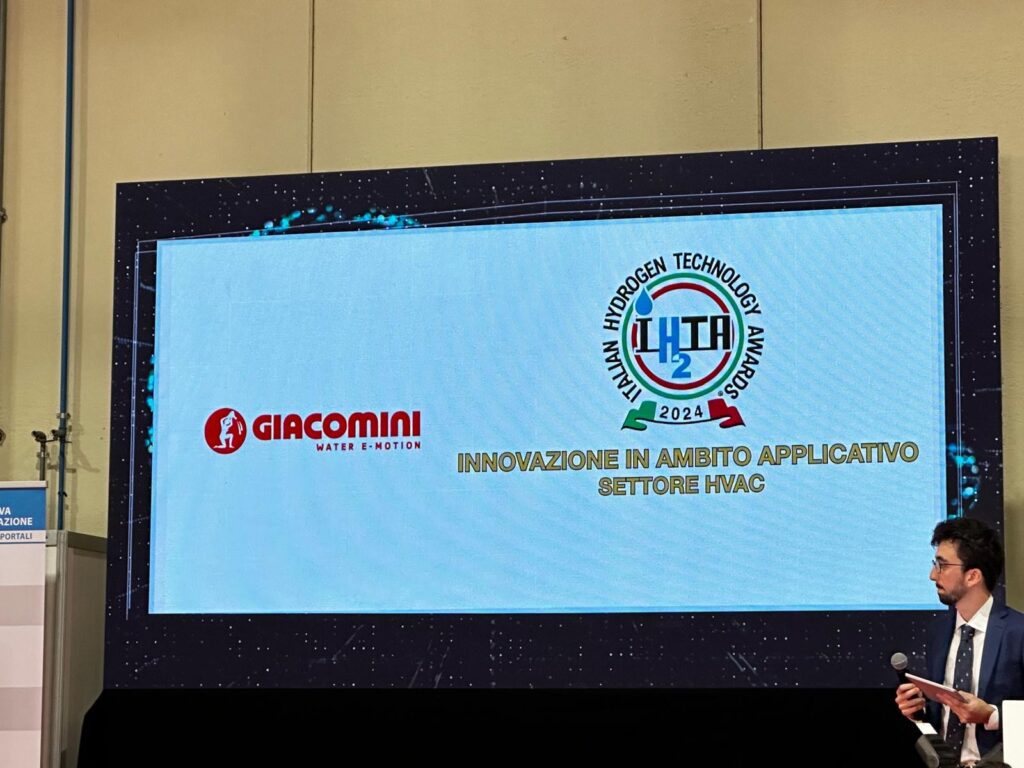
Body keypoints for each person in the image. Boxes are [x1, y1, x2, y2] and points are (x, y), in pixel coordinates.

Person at [895, 517, 1024, 764]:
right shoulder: (938, 631)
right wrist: (919, 711)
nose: (933, 575)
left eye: (942, 565)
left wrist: (991, 715)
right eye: (935, 564)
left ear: (973, 576)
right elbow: (939, 715)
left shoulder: (1018, 632)